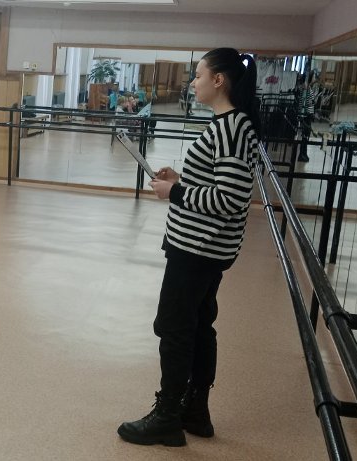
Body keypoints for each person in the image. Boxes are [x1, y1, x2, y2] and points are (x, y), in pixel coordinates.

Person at [119, 47, 260, 447]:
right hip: (203, 245)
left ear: (219, 80)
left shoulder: (231, 128)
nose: (193, 82)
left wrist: (175, 192)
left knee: (175, 327)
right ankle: (194, 410)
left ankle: (167, 416)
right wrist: (180, 179)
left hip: (199, 247)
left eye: (198, 75)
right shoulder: (229, 124)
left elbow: (231, 198)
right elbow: (219, 183)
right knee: (197, 326)